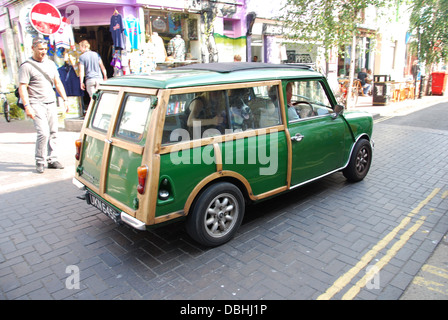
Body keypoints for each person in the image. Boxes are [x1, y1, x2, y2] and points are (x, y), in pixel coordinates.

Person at [18, 37, 69, 173]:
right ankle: (40, 160)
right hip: (36, 103)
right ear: (33, 48)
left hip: (51, 102)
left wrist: (65, 99)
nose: (43, 52)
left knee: (54, 132)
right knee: (43, 133)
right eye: (40, 49)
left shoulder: (51, 64)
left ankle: (52, 159)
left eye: (45, 49)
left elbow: (57, 82)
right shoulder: (27, 66)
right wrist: (27, 106)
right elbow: (22, 87)